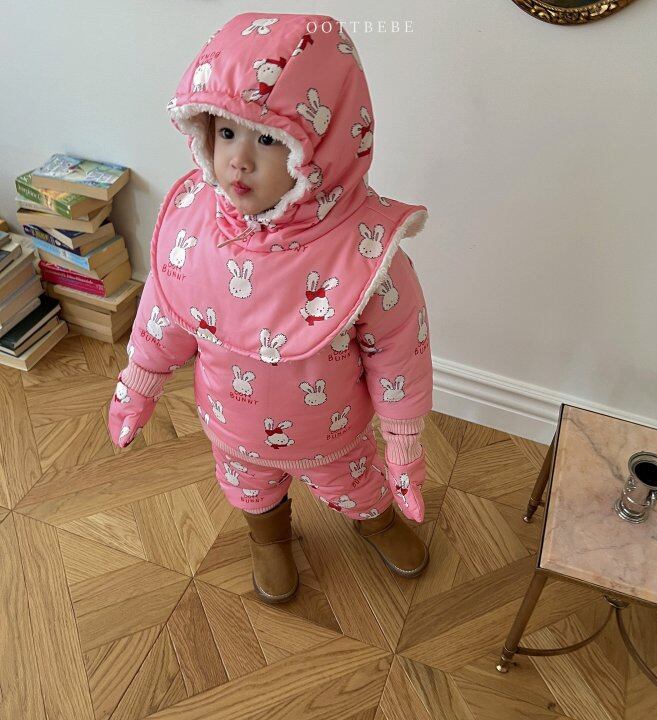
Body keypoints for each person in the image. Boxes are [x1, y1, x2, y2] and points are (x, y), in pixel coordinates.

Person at [107, 12, 433, 604]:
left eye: (266, 140)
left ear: (322, 149)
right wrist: (139, 382)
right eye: (226, 133)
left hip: (333, 432)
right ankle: (269, 537)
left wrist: (403, 441)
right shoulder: (193, 228)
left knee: (356, 485)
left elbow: (399, 352)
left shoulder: (364, 252)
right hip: (233, 427)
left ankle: (376, 521)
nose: (238, 161)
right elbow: (164, 311)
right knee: (250, 491)